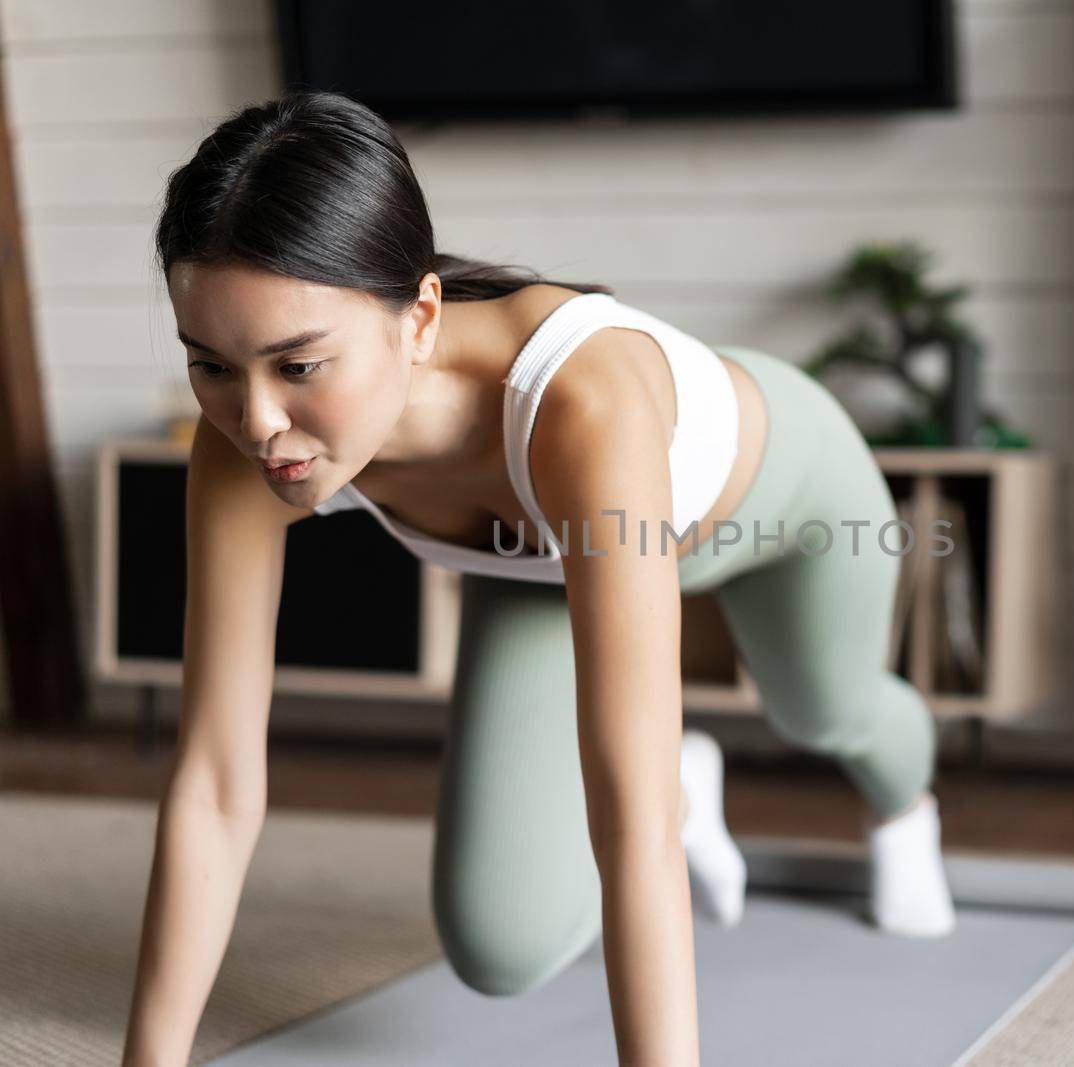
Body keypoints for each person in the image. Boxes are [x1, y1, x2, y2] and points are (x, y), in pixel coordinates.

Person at [121, 90, 956, 1067]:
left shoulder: (580, 404)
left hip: (790, 496)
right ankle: (697, 783)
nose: (255, 418)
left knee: (825, 709)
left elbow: (626, 814)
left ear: (418, 316)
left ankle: (906, 808)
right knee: (499, 946)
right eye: (210, 365)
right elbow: (216, 782)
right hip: (547, 562)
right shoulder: (248, 445)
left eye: (298, 364)